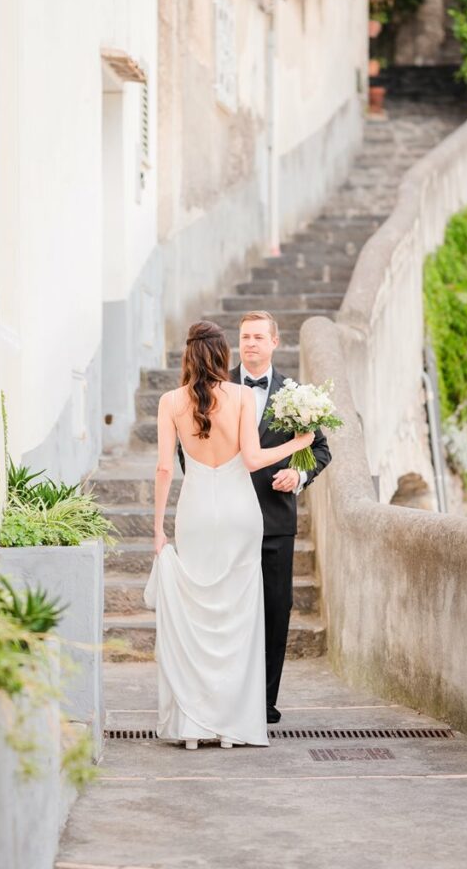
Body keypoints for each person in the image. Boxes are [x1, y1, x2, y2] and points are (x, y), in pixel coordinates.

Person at [144, 320, 314, 750]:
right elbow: (254, 459)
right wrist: (298, 443)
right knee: (238, 618)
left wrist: (157, 530)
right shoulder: (239, 395)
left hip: (196, 513)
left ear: (187, 355)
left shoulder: (169, 401)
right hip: (242, 514)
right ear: (223, 355)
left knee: (199, 614)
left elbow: (165, 469)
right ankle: (232, 726)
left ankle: (193, 727)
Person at [230, 310, 332, 723]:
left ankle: (264, 701)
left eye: (258, 337)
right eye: (244, 337)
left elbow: (320, 449)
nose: (250, 343)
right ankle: (231, 697)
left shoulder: (296, 393)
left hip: (276, 521)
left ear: (274, 341)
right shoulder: (218, 387)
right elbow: (190, 447)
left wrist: (299, 473)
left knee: (277, 608)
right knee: (231, 608)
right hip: (230, 520)